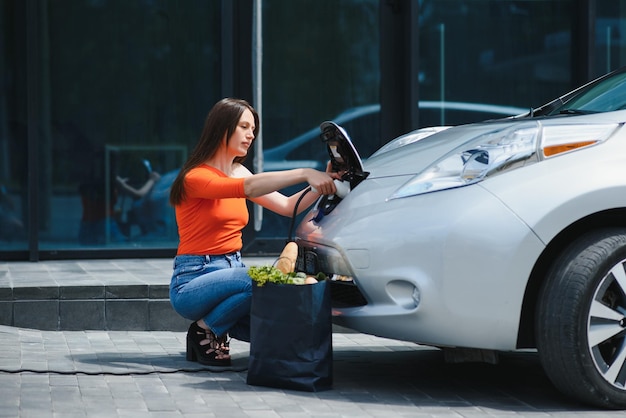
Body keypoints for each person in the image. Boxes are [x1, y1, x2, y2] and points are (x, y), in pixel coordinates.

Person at [168, 98, 339, 367]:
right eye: (244, 126)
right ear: (222, 127)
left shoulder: (239, 171)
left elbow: (287, 205)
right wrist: (306, 173)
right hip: (193, 280)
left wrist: (322, 184)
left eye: (253, 129)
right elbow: (247, 188)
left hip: (234, 271)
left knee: (280, 327)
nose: (251, 135)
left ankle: (215, 327)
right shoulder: (196, 177)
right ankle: (205, 330)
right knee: (266, 279)